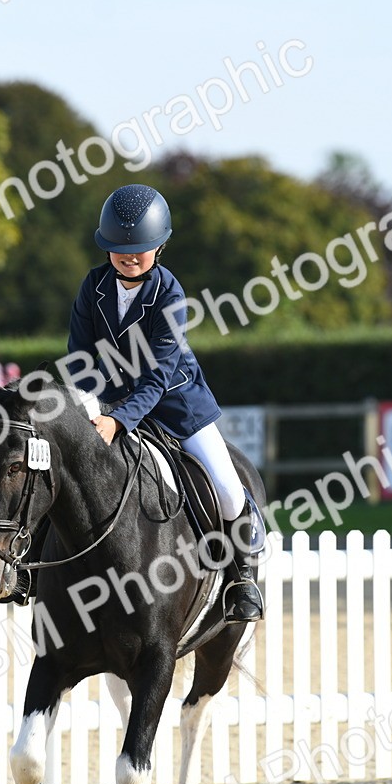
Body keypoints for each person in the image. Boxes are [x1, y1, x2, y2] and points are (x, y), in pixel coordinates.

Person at [65, 183, 265, 624]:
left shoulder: (170, 293)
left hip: (177, 406)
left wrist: (117, 421)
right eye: (119, 248)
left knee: (229, 489)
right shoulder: (93, 286)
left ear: (160, 246)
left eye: (140, 248)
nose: (129, 256)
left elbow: (156, 377)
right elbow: (80, 357)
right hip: (112, 400)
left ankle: (241, 579)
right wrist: (85, 406)